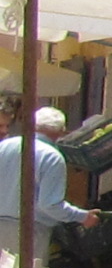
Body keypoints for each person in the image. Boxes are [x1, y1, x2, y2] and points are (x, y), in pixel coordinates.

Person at [0, 105, 92, 253]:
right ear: (61, 131)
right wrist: (83, 217)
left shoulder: (5, 146)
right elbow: (50, 204)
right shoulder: (52, 157)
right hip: (29, 231)